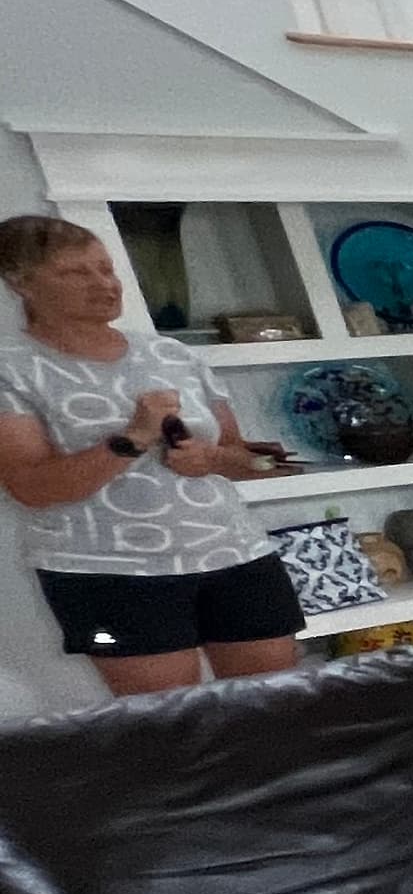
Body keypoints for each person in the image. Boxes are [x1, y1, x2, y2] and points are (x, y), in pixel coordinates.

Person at [0, 212, 303, 697]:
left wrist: (214, 459)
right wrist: (132, 440)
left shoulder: (173, 354)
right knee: (171, 729)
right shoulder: (11, 367)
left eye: (105, 268)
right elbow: (31, 487)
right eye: (75, 272)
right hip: (110, 576)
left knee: (275, 710)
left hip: (235, 557)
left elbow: (246, 460)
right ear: (21, 283)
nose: (102, 283)